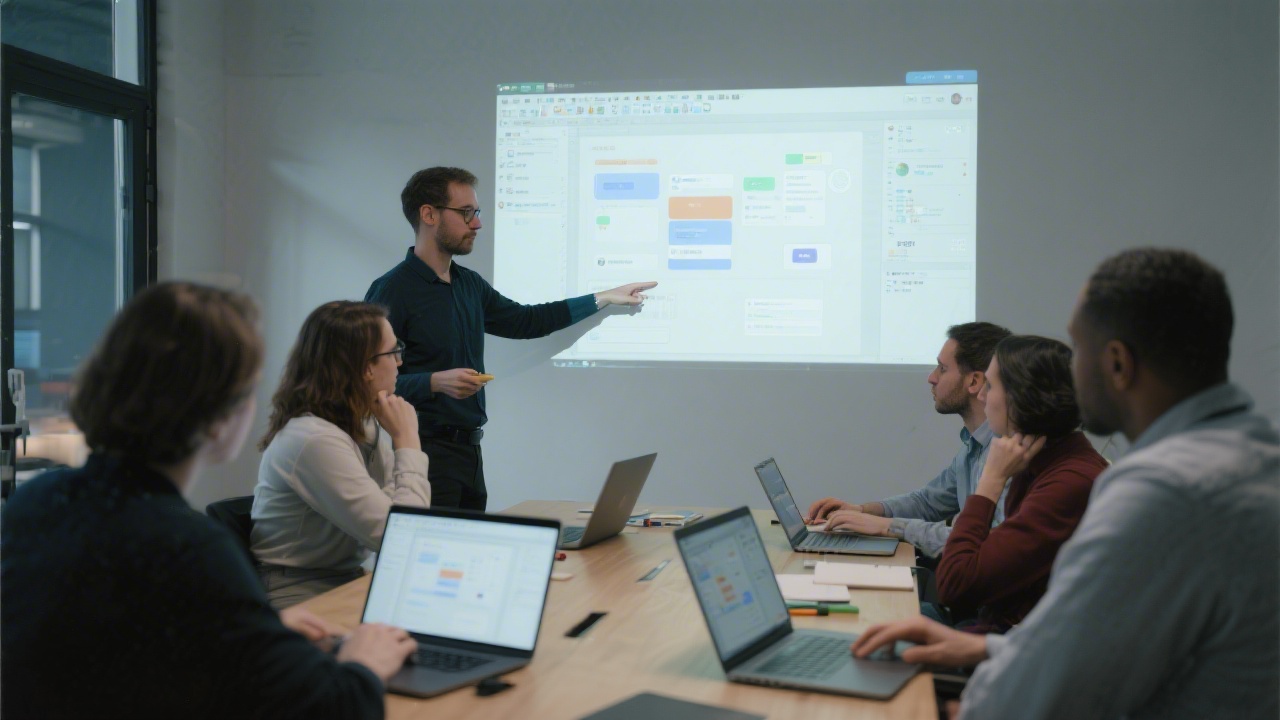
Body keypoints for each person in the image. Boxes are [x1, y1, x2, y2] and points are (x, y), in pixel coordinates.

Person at [852, 248, 1279, 720]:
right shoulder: (1256, 457)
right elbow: (1094, 650)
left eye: (1079, 352)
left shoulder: (1161, 491)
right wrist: (985, 651)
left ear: (1117, 364)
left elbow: (1059, 688)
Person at [1, 283, 415, 720]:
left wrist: (258, 631)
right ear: (221, 418)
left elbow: (117, 648)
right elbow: (335, 709)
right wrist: (365, 660)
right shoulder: (189, 547)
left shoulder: (35, 504)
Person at [366, 166, 657, 510]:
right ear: (428, 214)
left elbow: (526, 321)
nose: (477, 223)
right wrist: (433, 383)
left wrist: (602, 297)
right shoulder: (392, 291)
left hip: (470, 452)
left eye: (477, 212)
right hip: (422, 453)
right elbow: (366, 384)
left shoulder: (468, 284)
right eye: (466, 213)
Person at [252, 301, 431, 608]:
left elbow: (398, 519)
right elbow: (401, 536)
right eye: (393, 351)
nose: (400, 362)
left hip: (344, 578)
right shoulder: (314, 439)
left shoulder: (363, 422)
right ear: (366, 368)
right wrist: (407, 440)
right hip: (298, 593)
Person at [932, 335, 1107, 631]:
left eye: (990, 386)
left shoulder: (1070, 481)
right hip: (1001, 637)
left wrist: (991, 480)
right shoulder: (1039, 460)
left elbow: (956, 583)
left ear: (1021, 397)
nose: (983, 397)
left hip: (1017, 653)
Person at [806, 322, 1012, 557]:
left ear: (974, 382)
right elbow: (928, 502)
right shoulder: (973, 445)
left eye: (942, 369)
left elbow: (982, 543)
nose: (931, 378)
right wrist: (862, 511)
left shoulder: (1007, 454)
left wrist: (887, 527)